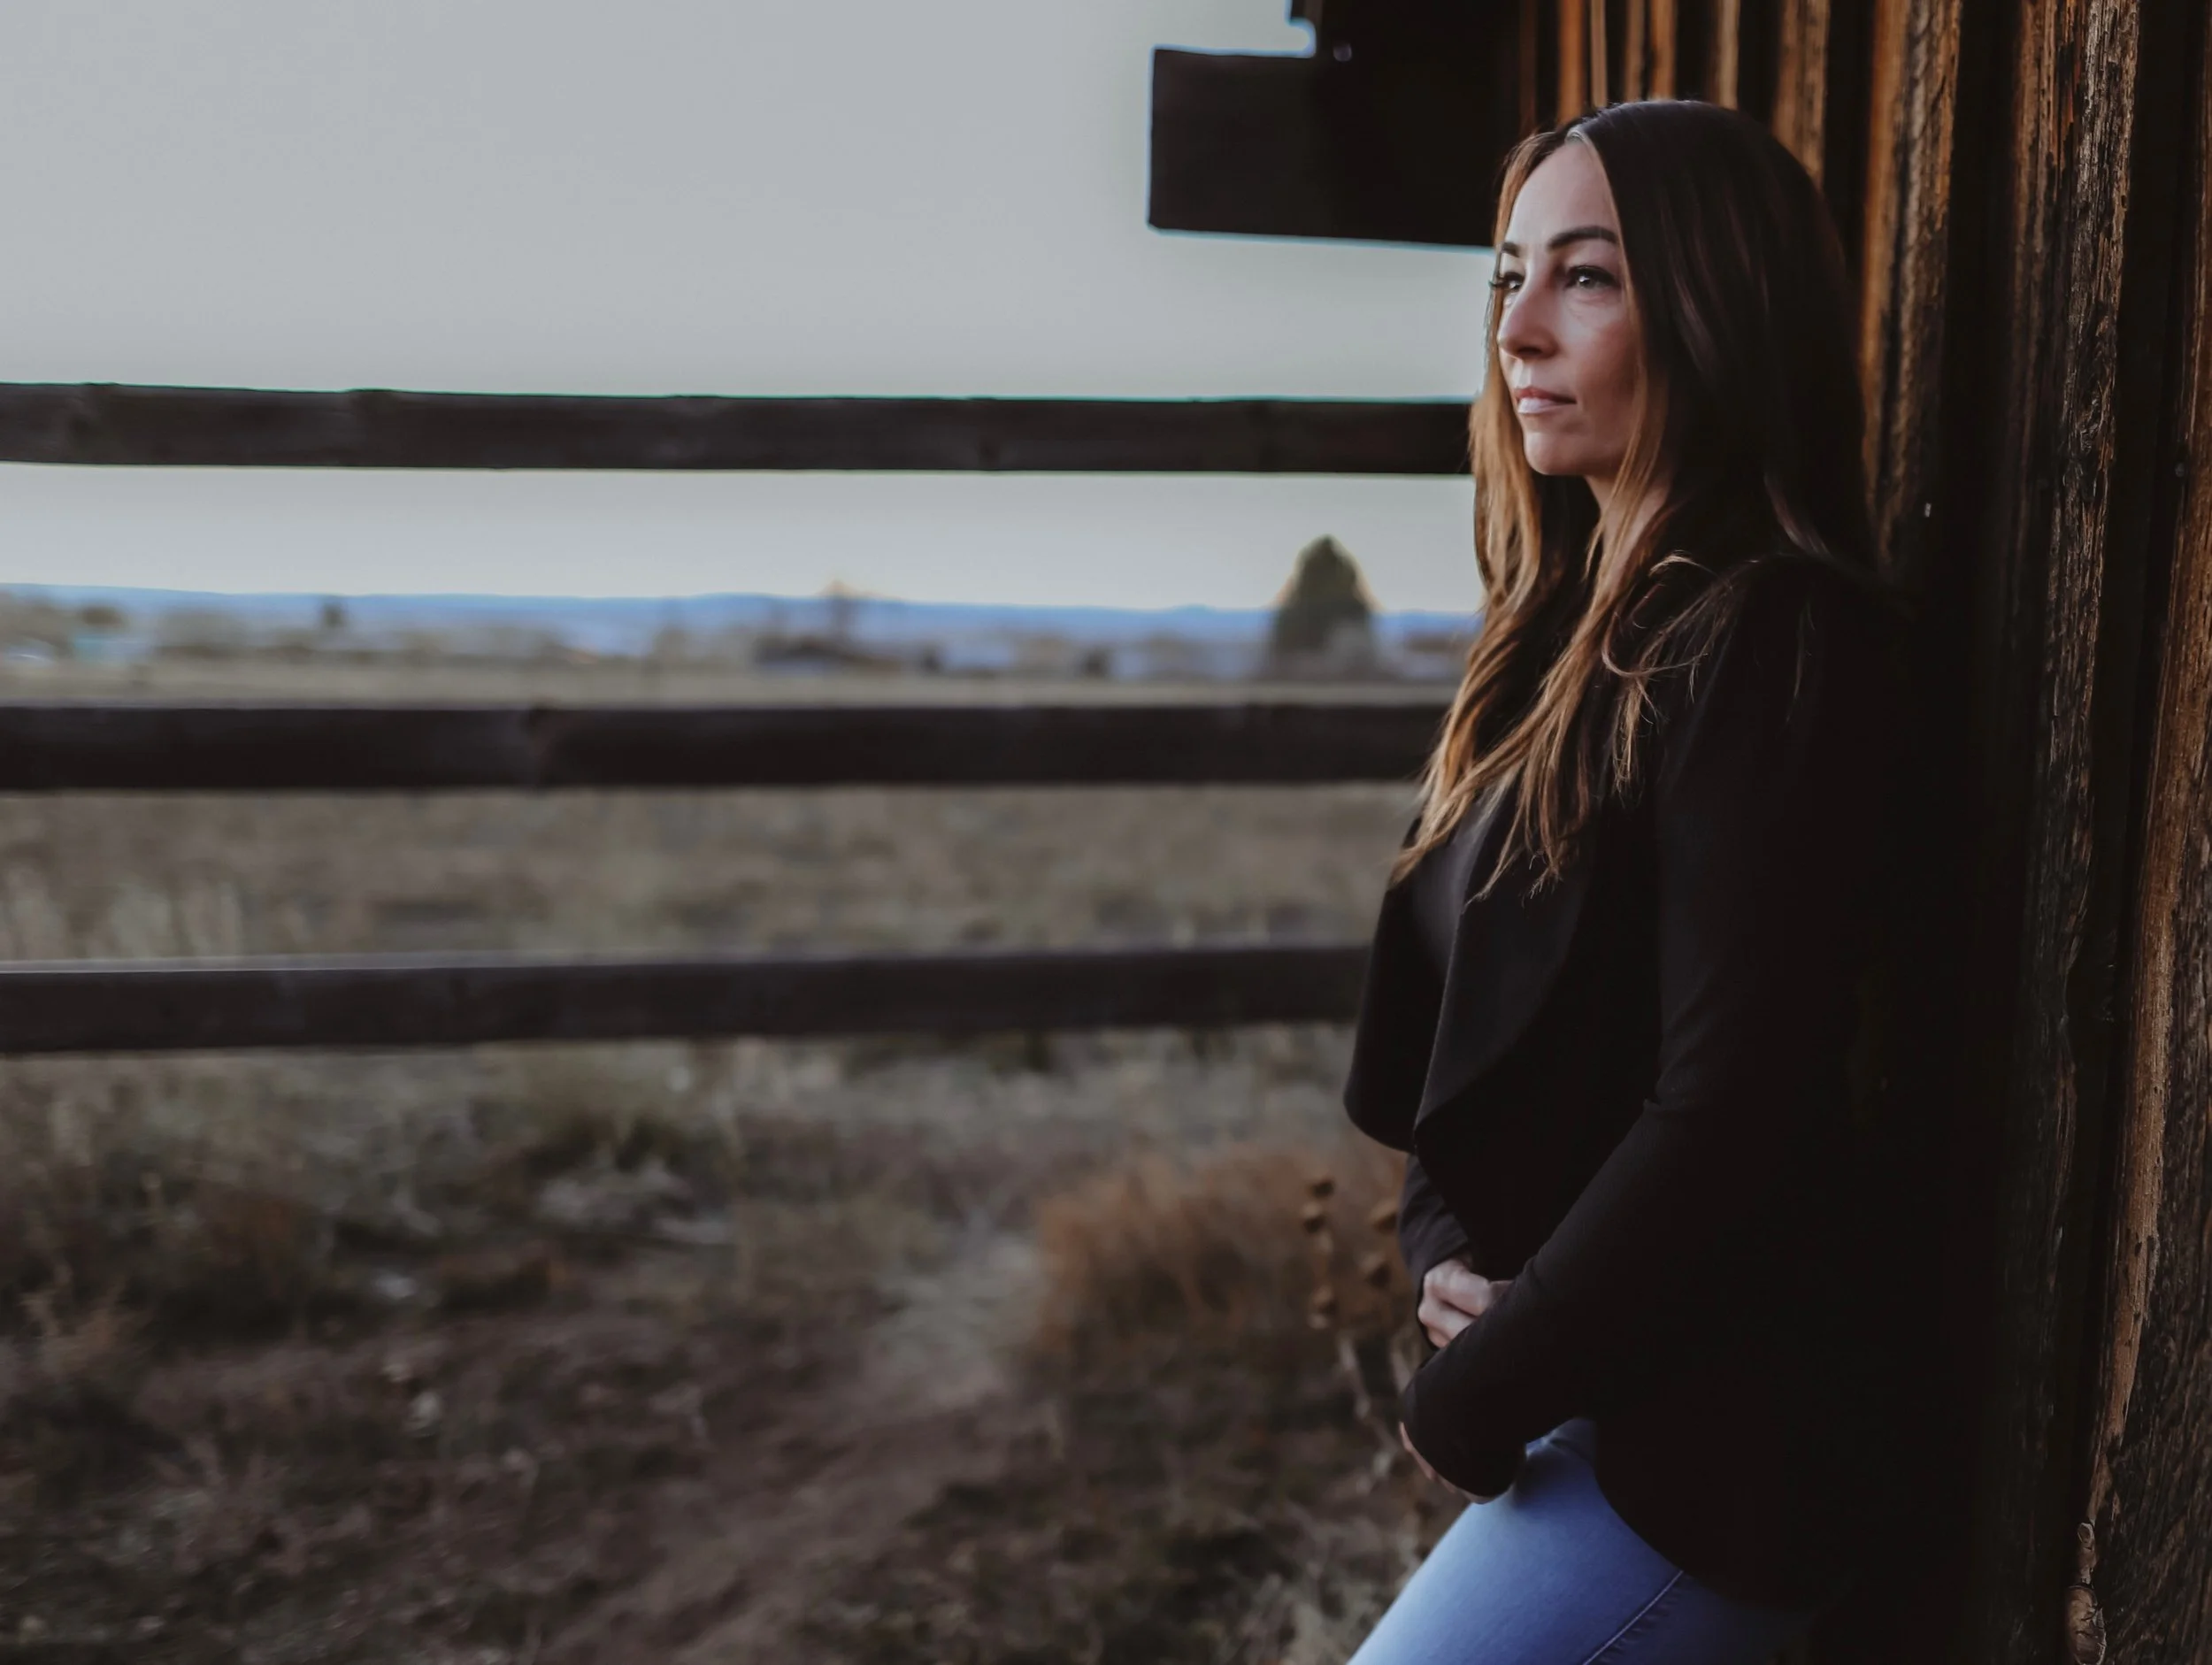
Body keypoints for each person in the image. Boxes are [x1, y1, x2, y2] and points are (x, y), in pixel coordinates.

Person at [1340, 99, 1917, 1664]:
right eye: (1509, 273)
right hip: (1568, 1402)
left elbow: (1730, 1104)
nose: (1518, 327)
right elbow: (1448, 1052)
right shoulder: (1537, 653)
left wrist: (1476, 1390)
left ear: (1716, 308)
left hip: (1702, 1456)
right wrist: (1445, 1259)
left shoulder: (1773, 640)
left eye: (1585, 276)